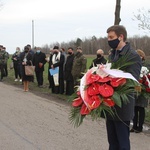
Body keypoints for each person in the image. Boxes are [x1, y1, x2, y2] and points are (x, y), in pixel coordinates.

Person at [106, 25, 142, 150]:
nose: (109, 40)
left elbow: (133, 80)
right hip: (110, 103)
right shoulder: (112, 55)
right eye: (108, 37)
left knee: (122, 144)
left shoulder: (132, 55)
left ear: (121, 37)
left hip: (123, 105)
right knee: (112, 142)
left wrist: (115, 81)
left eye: (111, 37)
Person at [130, 49, 148, 133]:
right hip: (135, 88)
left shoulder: (146, 66)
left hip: (143, 89)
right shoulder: (134, 64)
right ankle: (134, 126)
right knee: (134, 108)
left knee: (141, 108)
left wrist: (144, 85)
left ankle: (140, 127)